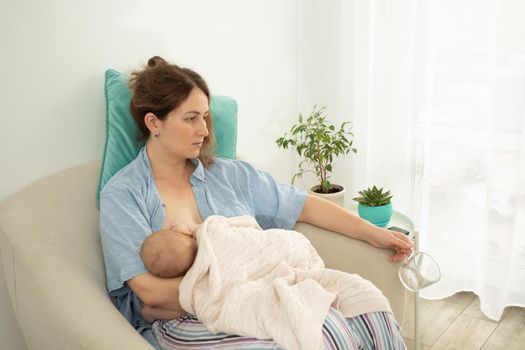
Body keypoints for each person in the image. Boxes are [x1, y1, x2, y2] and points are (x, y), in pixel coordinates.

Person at [99, 56, 413, 349]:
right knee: (308, 333)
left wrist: (375, 233)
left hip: (262, 294)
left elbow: (304, 204)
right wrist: (242, 289)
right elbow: (149, 292)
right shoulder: (124, 194)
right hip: (190, 320)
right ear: (154, 123)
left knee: (364, 312)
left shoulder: (230, 174)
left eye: (205, 117)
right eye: (191, 119)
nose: (204, 130)